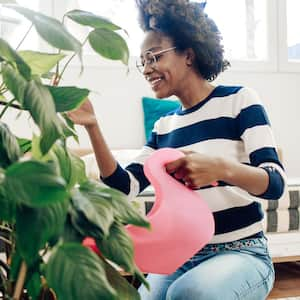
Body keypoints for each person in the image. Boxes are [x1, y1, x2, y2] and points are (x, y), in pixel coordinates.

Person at [68, 0, 286, 299]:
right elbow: (124, 187)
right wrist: (93, 127)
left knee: (190, 293)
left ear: (189, 55)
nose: (147, 69)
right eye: (142, 61)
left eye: (154, 57)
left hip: (243, 252)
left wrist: (222, 169)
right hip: (180, 254)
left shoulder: (240, 100)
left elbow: (275, 182)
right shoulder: (163, 126)